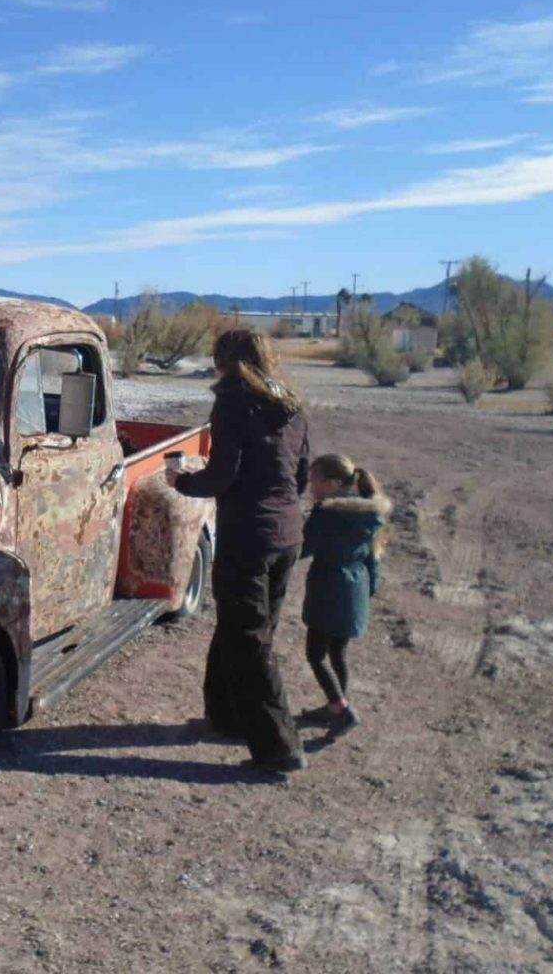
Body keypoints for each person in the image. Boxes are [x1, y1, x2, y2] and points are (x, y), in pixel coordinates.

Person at [167, 327, 309, 774]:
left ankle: (279, 747)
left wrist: (182, 481)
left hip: (249, 536)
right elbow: (300, 476)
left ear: (224, 360)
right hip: (286, 534)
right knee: (241, 628)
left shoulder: (233, 401)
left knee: (249, 642)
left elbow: (222, 475)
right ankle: (226, 716)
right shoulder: (291, 404)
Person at [296, 454, 392, 737]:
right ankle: (334, 706)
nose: (310, 486)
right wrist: (368, 590)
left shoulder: (326, 512)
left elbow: (304, 548)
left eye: (315, 481)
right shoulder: (374, 513)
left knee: (315, 654)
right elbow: (376, 558)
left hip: (329, 587)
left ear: (334, 483)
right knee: (337, 651)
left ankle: (342, 710)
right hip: (356, 587)